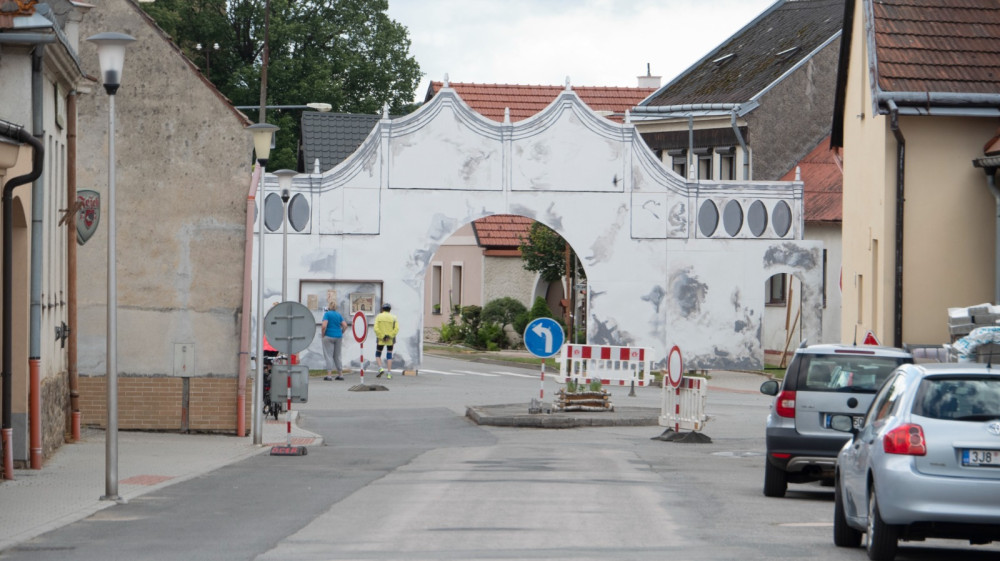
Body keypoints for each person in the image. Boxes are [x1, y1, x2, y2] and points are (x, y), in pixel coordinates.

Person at [321, 301, 348, 380]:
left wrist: (323, 334)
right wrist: (342, 332)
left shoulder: (327, 314)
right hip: (338, 336)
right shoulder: (339, 315)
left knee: (328, 355)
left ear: (329, 307)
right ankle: (340, 374)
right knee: (337, 356)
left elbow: (324, 326)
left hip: (328, 336)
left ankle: (329, 375)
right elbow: (345, 325)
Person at [374, 302, 399, 379]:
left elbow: (376, 328)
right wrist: (389, 336)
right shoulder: (394, 317)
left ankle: (380, 368)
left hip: (381, 339)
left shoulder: (378, 316)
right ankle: (389, 373)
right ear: (390, 310)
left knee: (378, 354)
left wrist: (382, 336)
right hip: (390, 340)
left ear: (382, 309)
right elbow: (396, 329)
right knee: (389, 355)